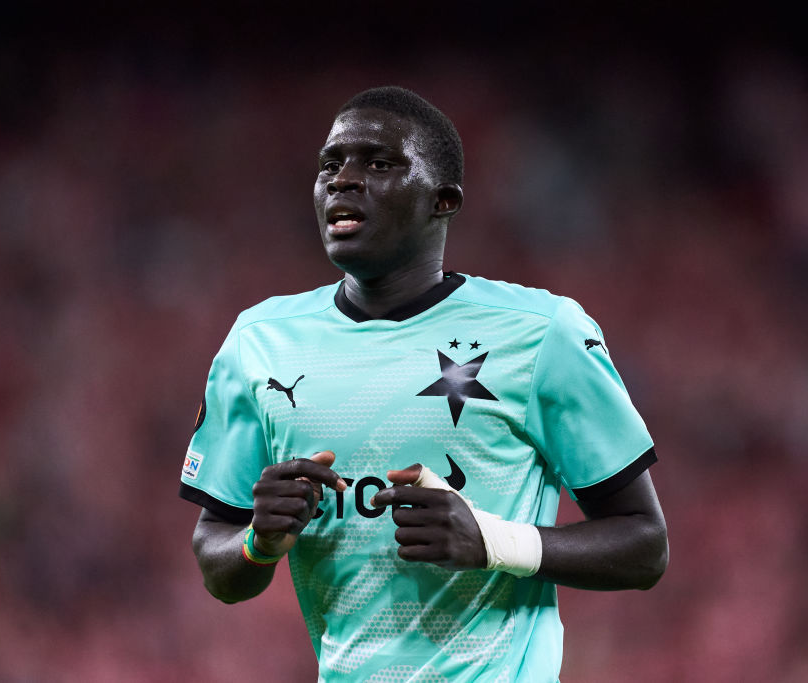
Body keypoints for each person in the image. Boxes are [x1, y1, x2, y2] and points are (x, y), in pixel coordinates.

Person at [180, 86, 668, 682]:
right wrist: (260, 541)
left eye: (379, 163)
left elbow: (645, 546)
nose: (343, 179)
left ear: (443, 200)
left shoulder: (543, 334)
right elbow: (217, 562)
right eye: (330, 165)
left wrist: (493, 541)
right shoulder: (258, 343)